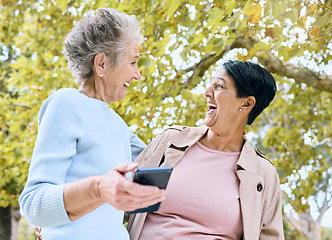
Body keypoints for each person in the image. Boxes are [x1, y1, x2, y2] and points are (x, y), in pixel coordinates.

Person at [18, 8, 166, 240]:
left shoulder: (120, 127)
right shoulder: (68, 102)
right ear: (102, 64)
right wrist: (98, 189)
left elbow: (163, 160)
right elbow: (33, 203)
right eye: (133, 62)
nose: (138, 75)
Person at [127, 60, 284, 239]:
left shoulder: (263, 174)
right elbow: (117, 200)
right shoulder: (171, 141)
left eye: (219, 86)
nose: (207, 93)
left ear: (247, 104)